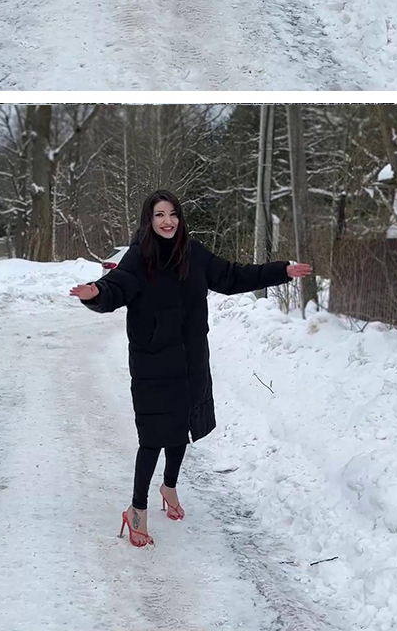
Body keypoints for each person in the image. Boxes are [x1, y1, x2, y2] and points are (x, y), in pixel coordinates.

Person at [67, 189, 312, 548]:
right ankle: (137, 510)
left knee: (180, 431)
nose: (167, 221)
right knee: (152, 439)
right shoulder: (139, 258)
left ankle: (169, 487)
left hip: (191, 361)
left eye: (173, 214)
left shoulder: (192, 254)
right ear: (148, 221)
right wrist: (96, 295)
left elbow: (233, 276)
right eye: (159, 215)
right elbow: (115, 288)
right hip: (153, 363)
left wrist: (282, 271)